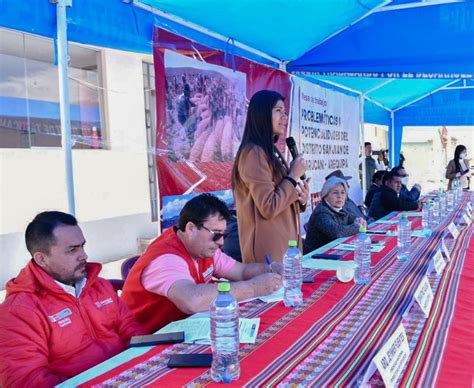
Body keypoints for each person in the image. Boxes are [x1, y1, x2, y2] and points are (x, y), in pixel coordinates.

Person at [0, 211, 145, 387]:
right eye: (72, 250)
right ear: (41, 259)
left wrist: (142, 363)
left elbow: (131, 329)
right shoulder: (19, 311)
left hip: (131, 375)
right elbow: (25, 380)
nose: (84, 255)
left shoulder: (98, 285)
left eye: (83, 246)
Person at [122, 194, 283, 333]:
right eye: (216, 235)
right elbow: (192, 300)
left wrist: (270, 268)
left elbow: (241, 271)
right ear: (191, 229)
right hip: (147, 341)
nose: (220, 242)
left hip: (185, 329)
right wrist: (254, 287)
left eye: (224, 235)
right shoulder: (165, 258)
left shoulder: (204, 248)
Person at [231, 90, 309, 264]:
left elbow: (282, 196)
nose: (284, 116)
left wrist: (300, 199)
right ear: (262, 114)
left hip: (286, 246)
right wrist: (293, 175)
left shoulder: (270, 151)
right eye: (278, 111)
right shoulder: (253, 153)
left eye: (285, 111)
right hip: (267, 253)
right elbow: (269, 206)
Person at [303, 177, 367, 254]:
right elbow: (337, 232)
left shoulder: (339, 209)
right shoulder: (321, 212)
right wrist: (358, 226)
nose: (340, 196)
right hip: (315, 257)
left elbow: (352, 218)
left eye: (343, 192)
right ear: (325, 195)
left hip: (332, 253)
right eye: (335, 192)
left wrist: (360, 220)